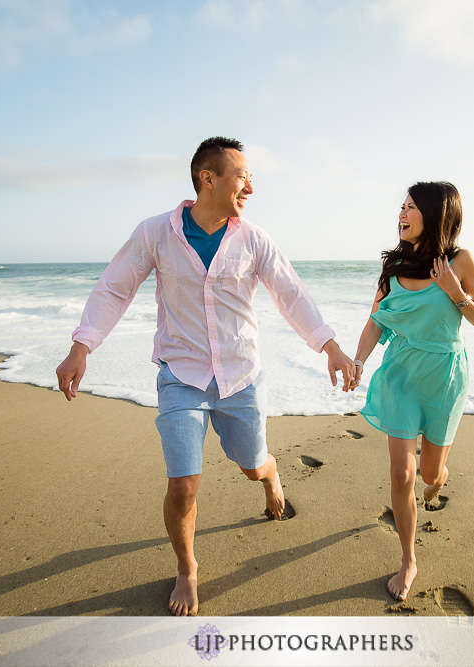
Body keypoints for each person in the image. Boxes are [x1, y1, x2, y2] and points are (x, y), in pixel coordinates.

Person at [55, 137, 356, 616]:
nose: (250, 187)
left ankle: (270, 473)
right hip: (181, 376)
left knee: (251, 463)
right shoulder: (156, 233)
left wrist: (331, 347)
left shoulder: (254, 239)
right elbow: (115, 287)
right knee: (183, 485)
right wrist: (81, 346)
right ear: (207, 178)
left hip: (241, 377)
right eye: (243, 176)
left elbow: (291, 295)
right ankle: (187, 568)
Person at [349, 181, 474, 601]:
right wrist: (359, 361)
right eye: (402, 206)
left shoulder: (460, 261)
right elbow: (376, 321)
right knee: (401, 473)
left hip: (445, 379)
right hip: (400, 377)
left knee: (429, 474)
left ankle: (438, 481)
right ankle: (408, 558)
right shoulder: (392, 265)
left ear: (435, 213)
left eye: (411, 207)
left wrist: (457, 294)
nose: (402, 213)